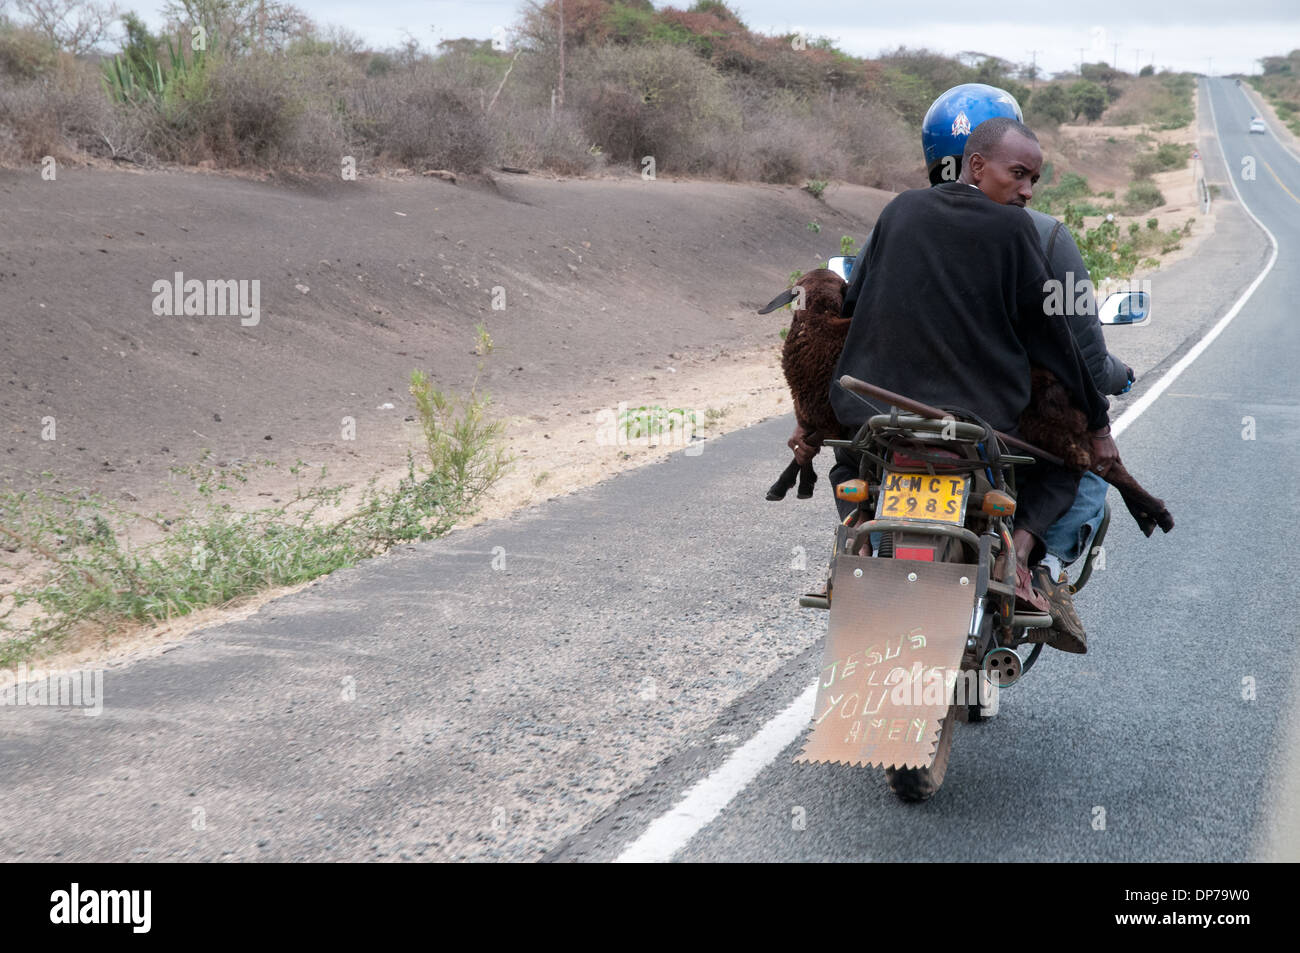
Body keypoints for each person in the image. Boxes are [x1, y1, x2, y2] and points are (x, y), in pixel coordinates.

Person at [794, 84, 1131, 651]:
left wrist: (812, 415)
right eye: (1018, 174)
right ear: (979, 161)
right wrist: (1097, 425)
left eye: (1031, 179)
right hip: (981, 420)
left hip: (878, 410)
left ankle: (856, 541)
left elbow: (851, 313)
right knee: (1073, 467)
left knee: (850, 460)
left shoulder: (898, 211)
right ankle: (1025, 561)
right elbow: (1066, 346)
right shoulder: (1032, 231)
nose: (1025, 190)